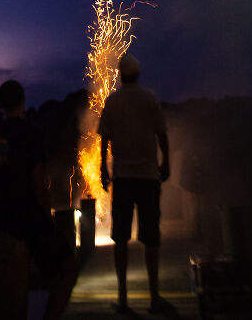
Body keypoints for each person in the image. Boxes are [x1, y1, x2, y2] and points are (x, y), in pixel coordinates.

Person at [0, 79, 76, 320]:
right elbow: (38, 180)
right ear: (23, 101)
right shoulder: (29, 132)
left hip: (2, 218)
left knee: (11, 289)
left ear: (0, 104)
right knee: (68, 268)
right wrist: (46, 218)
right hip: (27, 217)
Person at [98, 54, 172, 314]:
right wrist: (166, 164)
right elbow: (161, 134)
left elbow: (104, 139)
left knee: (120, 238)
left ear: (119, 74)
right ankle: (154, 298)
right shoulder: (149, 98)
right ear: (138, 74)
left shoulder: (113, 101)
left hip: (123, 178)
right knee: (151, 238)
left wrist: (102, 169)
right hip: (148, 177)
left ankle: (123, 298)